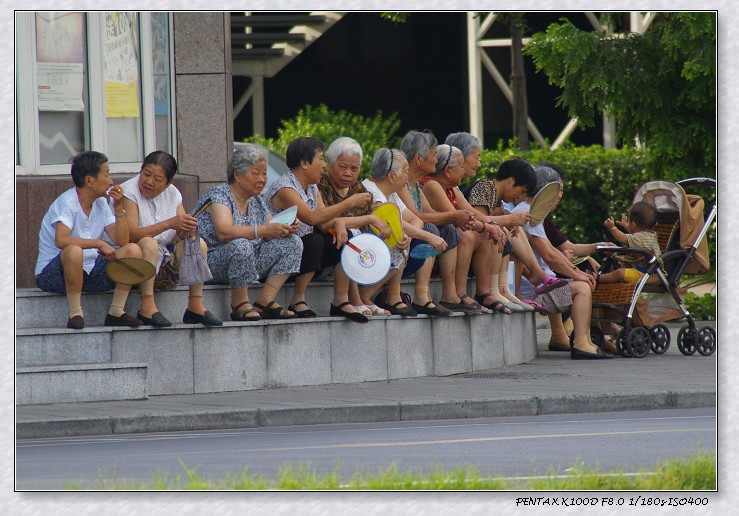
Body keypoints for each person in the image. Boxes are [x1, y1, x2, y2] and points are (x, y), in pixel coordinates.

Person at [264, 136, 383, 323]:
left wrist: (340, 223)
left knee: (343, 237)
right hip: (279, 258)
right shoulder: (285, 188)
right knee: (315, 240)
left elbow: (325, 223)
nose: (324, 166)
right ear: (304, 163)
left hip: (302, 256)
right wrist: (349, 204)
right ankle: (298, 300)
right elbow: (312, 218)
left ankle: (340, 300)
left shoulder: (312, 187)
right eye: (320, 159)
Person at [510, 166, 613, 360]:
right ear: (546, 190)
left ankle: (583, 340)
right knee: (582, 287)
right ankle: (582, 343)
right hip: (532, 291)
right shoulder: (529, 213)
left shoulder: (531, 213)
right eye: (558, 191)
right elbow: (549, 255)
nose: (559, 196)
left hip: (531, 286)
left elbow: (558, 252)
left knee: (577, 279)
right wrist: (578, 274)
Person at [35, 151, 143, 329]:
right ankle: (75, 313)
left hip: (89, 271)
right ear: (90, 180)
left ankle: (116, 311)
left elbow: (122, 240)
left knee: (132, 250)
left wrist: (118, 208)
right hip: (54, 275)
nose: (111, 181)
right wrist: (99, 243)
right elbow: (61, 240)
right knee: (73, 250)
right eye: (106, 174)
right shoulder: (67, 202)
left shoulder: (101, 203)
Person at [193, 144, 302, 321]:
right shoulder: (219, 195)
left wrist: (285, 228)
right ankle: (240, 303)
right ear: (237, 175)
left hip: (246, 260)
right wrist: (265, 230)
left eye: (265, 173)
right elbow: (224, 232)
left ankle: (264, 301)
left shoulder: (256, 200)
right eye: (256, 173)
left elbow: (269, 228)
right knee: (241, 244)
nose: (262, 179)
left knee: (293, 242)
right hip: (213, 262)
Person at [119, 151, 222, 327]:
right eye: (146, 174)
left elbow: (180, 231)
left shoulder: (173, 193)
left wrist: (188, 229)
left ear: (169, 183)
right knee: (149, 242)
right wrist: (169, 223)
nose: (149, 182)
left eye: (158, 179)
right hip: (133, 264)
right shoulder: (128, 191)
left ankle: (195, 305)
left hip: (164, 264)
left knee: (199, 244)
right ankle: (147, 306)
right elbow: (130, 235)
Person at [462, 155, 566, 313]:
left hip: (480, 253)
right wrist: (509, 219)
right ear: (511, 180)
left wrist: (507, 220)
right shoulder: (485, 187)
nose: (518, 196)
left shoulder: (496, 196)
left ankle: (518, 286)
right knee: (503, 230)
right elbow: (479, 223)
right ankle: (532, 276)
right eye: (521, 190)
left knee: (513, 231)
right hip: (470, 250)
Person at [419, 144, 508, 314]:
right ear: (447, 171)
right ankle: (456, 293)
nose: (463, 170)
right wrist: (487, 227)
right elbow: (458, 218)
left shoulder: (451, 188)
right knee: (466, 234)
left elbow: (471, 212)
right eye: (460, 166)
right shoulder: (432, 185)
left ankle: (483, 292)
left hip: (444, 245)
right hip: (434, 248)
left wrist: (493, 226)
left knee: (483, 235)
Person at [361, 148, 448, 316]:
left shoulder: (391, 193)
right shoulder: (370, 190)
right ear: (391, 176)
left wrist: (408, 233)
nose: (407, 177)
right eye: (406, 171)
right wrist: (428, 236)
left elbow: (415, 219)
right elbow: (391, 220)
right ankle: (365, 296)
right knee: (401, 239)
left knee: (408, 239)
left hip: (382, 249)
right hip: (364, 249)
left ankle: (404, 295)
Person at [317, 137, 396, 318]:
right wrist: (366, 219)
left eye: (354, 168)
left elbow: (369, 223)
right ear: (330, 163)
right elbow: (324, 221)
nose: (348, 174)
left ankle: (367, 297)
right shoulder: (320, 185)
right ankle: (354, 299)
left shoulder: (358, 188)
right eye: (343, 167)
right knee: (351, 235)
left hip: (357, 254)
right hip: (329, 251)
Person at [396, 130, 473, 316]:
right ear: (419, 158)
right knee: (432, 229)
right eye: (433, 154)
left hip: (413, 240)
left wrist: (454, 217)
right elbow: (416, 217)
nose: (436, 160)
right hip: (403, 241)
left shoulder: (414, 183)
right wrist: (453, 216)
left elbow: (429, 212)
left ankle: (450, 295)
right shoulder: (401, 181)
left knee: (448, 229)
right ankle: (422, 296)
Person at [601, 201, 661, 283]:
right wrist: (626, 225)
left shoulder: (640, 238)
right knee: (616, 261)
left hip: (645, 274)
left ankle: (598, 278)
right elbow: (635, 231)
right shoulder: (648, 235)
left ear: (633, 224)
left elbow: (623, 238)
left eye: (629, 222)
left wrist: (612, 228)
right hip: (643, 269)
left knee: (620, 273)